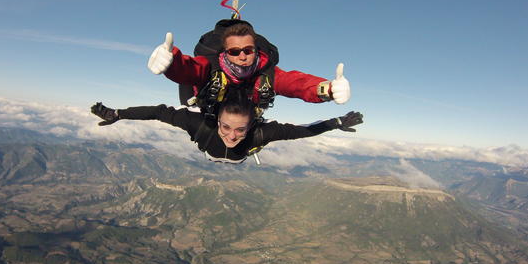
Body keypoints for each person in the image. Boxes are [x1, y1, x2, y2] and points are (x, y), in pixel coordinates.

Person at [146, 21, 351, 116]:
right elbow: (191, 69)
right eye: (234, 51)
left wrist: (326, 89)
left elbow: (295, 83)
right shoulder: (210, 67)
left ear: (256, 50)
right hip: (208, 109)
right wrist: (171, 62)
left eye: (248, 50)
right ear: (225, 53)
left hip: (240, 118)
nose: (242, 56)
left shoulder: (267, 75)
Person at [91, 97, 362, 164]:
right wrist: (118, 114)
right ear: (216, 121)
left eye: (241, 130)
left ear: (251, 126)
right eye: (226, 127)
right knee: (193, 98)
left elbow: (302, 131)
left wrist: (336, 122)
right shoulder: (201, 124)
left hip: (228, 144)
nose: (232, 136)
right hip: (210, 135)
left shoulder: (261, 133)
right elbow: (159, 112)